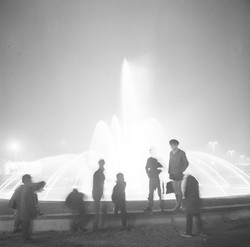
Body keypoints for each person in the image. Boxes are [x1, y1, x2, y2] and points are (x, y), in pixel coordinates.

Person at [168, 139, 189, 210]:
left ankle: (178, 205)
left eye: (173, 145)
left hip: (179, 174)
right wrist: (169, 172)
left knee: (178, 189)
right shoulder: (170, 153)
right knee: (175, 190)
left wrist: (181, 170)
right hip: (172, 173)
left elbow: (186, 163)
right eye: (170, 145)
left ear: (176, 145)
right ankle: (178, 204)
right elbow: (170, 163)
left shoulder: (181, 153)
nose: (172, 146)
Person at [19, 174, 38, 243]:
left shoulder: (25, 188)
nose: (31, 181)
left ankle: (27, 238)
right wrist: (32, 211)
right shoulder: (27, 189)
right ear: (27, 180)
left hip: (24, 211)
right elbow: (29, 202)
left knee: (26, 226)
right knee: (27, 226)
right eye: (30, 179)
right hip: (26, 211)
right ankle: (26, 239)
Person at [92, 159, 106, 231]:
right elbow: (100, 184)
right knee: (97, 210)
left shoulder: (98, 173)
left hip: (97, 193)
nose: (103, 165)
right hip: (97, 193)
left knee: (97, 210)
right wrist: (101, 192)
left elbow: (100, 184)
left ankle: (96, 226)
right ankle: (95, 227)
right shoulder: (99, 173)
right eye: (102, 164)